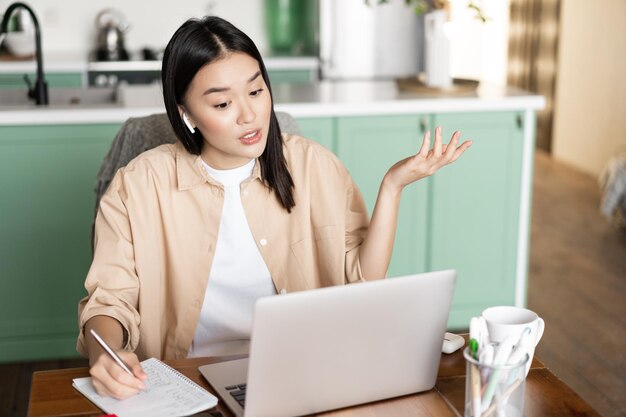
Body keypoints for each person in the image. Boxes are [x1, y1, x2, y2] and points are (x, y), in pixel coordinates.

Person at [76, 16, 472, 400]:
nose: (249, 115)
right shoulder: (139, 185)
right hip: (188, 380)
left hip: (303, 371)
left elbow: (362, 280)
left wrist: (392, 187)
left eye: (256, 91)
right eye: (222, 104)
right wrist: (106, 356)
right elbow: (109, 301)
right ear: (186, 114)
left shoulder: (315, 165)